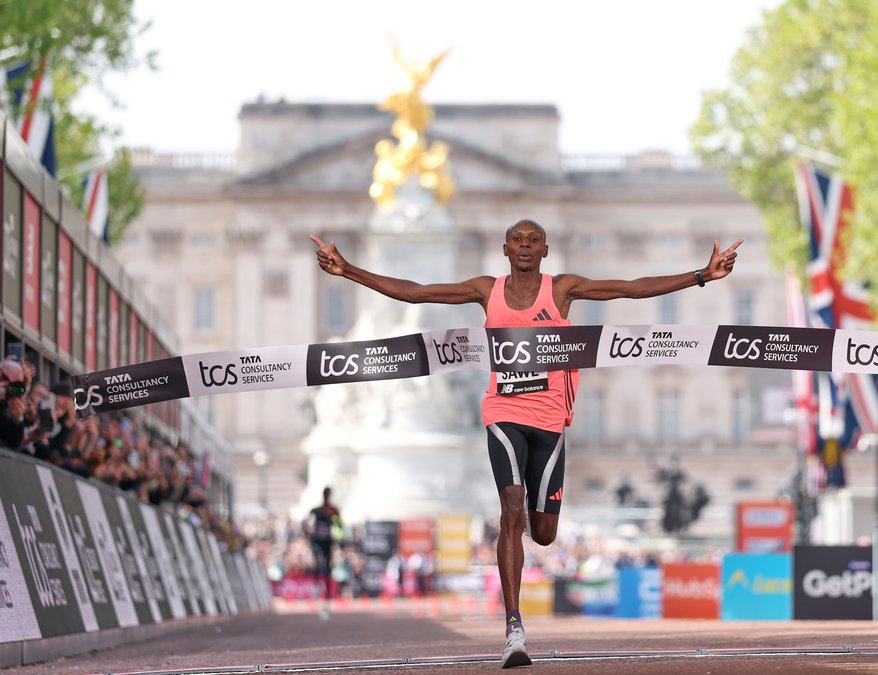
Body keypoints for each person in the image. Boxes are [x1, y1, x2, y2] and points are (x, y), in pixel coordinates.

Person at [311, 219, 741, 668]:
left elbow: (631, 288)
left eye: (533, 241)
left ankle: (534, 539)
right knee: (510, 513)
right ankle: (514, 625)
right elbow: (416, 292)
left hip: (551, 420)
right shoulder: (485, 290)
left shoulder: (562, 290)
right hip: (502, 412)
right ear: (504, 248)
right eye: (517, 240)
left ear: (545, 250)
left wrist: (700, 276)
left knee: (544, 532)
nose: (524, 246)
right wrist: (349, 271)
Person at [305, 486, 342, 619]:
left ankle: (325, 596)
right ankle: (317, 587)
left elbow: (339, 526)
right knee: (318, 563)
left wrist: (336, 531)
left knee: (326, 568)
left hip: (327, 542)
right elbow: (307, 524)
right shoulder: (316, 510)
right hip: (317, 541)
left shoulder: (333, 511)